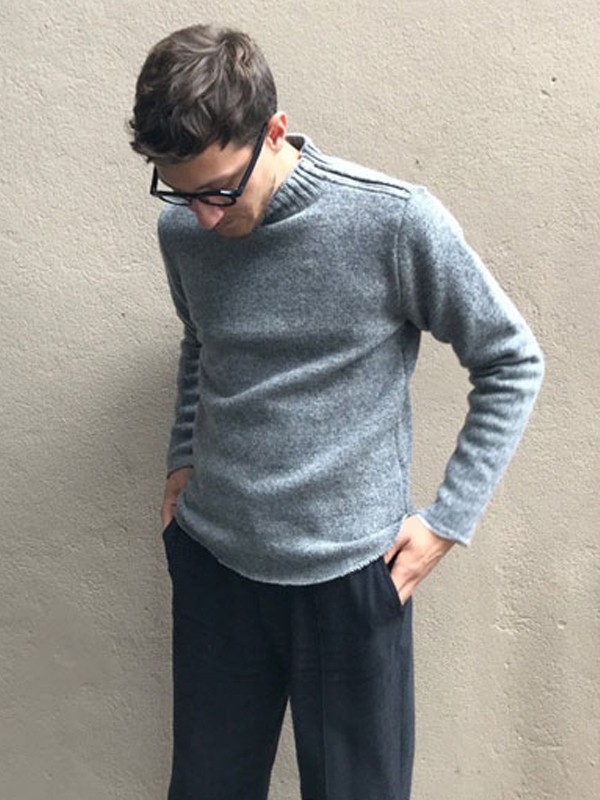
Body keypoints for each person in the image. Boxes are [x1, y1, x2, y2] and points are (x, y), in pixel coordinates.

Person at [128, 23, 544, 800]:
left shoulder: (395, 222)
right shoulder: (182, 229)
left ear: (274, 131)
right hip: (216, 566)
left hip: (351, 581)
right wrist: (182, 457)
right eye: (179, 191)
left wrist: (448, 521)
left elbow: (511, 359)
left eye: (219, 190)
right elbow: (201, 341)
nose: (204, 217)